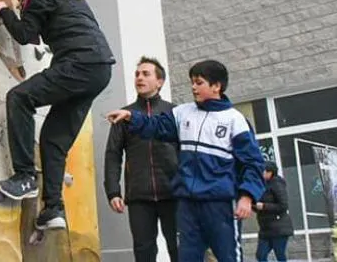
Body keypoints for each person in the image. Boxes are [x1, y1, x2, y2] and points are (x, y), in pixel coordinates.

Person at [0, 0, 115, 231]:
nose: (18, 1)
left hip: (80, 63)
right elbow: (39, 33)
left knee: (19, 97)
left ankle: (25, 176)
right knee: (53, 140)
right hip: (99, 70)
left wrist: (4, 10)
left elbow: (25, 35)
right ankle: (53, 209)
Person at [106, 59, 265, 262]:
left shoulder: (234, 120)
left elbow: (252, 162)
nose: (193, 87)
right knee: (186, 257)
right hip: (187, 204)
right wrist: (131, 116)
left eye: (199, 83)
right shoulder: (182, 113)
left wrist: (247, 196)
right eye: (192, 82)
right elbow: (156, 125)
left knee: (228, 256)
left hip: (220, 203)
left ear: (216, 86)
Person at [104, 56, 179, 262]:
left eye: (146, 74)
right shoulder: (124, 115)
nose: (139, 77)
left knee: (180, 249)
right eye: (137, 74)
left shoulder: (174, 112)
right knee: (144, 252)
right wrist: (113, 191)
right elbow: (113, 154)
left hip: (173, 193)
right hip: (139, 196)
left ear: (159, 81)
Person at [254, 162, 293, 262]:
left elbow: (283, 205)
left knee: (279, 255)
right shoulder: (262, 184)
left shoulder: (277, 184)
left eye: (263, 171)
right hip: (265, 228)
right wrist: (253, 206)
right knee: (260, 255)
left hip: (279, 227)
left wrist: (264, 206)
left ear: (270, 172)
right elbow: (260, 204)